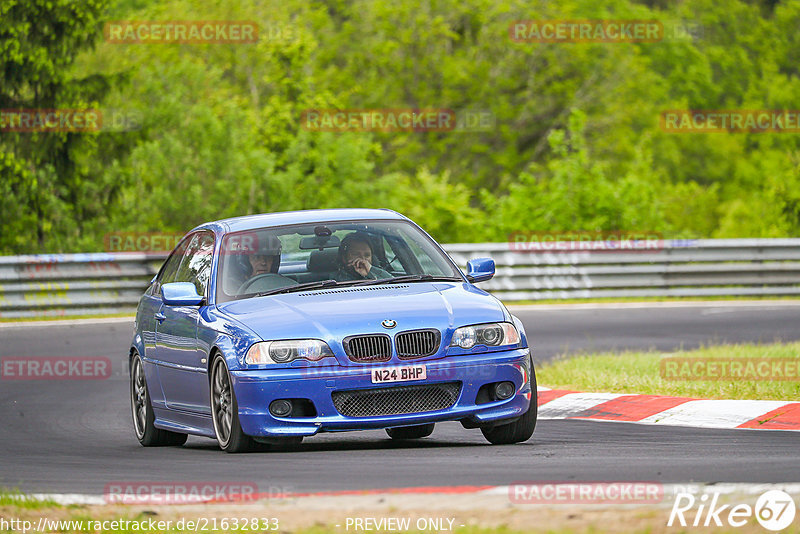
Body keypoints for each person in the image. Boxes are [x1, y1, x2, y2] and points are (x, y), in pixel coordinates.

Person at [229, 233, 297, 293]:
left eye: (268, 257)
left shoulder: (285, 285)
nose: (263, 263)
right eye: (256, 257)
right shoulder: (231, 289)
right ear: (244, 261)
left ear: (275, 261)